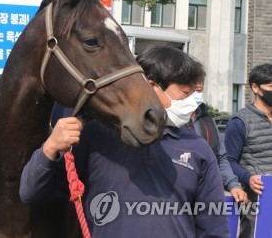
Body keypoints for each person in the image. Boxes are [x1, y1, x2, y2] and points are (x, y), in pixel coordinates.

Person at [20, 45, 229, 237]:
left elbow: (213, 226)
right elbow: (31, 192)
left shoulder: (197, 148)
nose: (191, 103)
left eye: (194, 94)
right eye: (185, 93)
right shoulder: (96, 136)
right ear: (151, 86)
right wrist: (50, 148)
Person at [225, 63, 272, 238]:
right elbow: (229, 161)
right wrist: (248, 177)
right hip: (256, 200)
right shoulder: (240, 122)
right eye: (271, 86)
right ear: (255, 88)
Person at [189, 81, 248, 203]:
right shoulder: (168, 121)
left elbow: (221, 158)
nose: (196, 95)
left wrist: (233, 185)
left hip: (206, 195)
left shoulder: (207, 119)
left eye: (199, 91)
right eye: (192, 90)